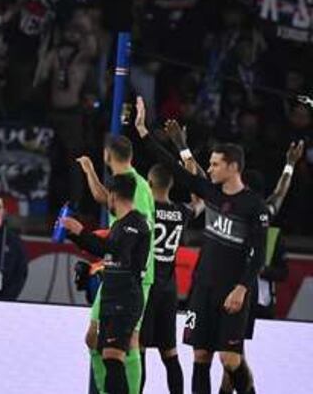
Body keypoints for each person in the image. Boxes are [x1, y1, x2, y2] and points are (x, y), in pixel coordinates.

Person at [143, 113, 268, 394]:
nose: (209, 169)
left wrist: (241, 288)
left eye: (215, 164)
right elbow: (174, 169)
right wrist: (144, 133)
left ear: (232, 167)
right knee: (200, 356)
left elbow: (259, 254)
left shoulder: (254, 207)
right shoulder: (211, 193)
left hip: (232, 291)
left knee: (230, 359)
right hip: (202, 289)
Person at [76, 121, 157, 394]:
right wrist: (89, 171)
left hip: (134, 278)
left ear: (107, 155)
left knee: (129, 341)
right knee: (94, 338)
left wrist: (108, 243)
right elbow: (106, 198)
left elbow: (139, 230)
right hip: (116, 273)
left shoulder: (137, 187)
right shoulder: (123, 185)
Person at [60, 175, 152, 394]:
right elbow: (103, 249)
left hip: (126, 297)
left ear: (113, 196)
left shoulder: (135, 224)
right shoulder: (120, 224)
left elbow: (115, 250)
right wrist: (74, 235)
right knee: (106, 354)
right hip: (111, 296)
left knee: (113, 357)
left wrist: (81, 231)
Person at [141, 165, 189, 394]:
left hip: (147, 288)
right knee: (170, 354)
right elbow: (200, 200)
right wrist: (189, 168)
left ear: (149, 183)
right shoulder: (182, 212)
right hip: (169, 290)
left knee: (138, 349)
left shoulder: (145, 210)